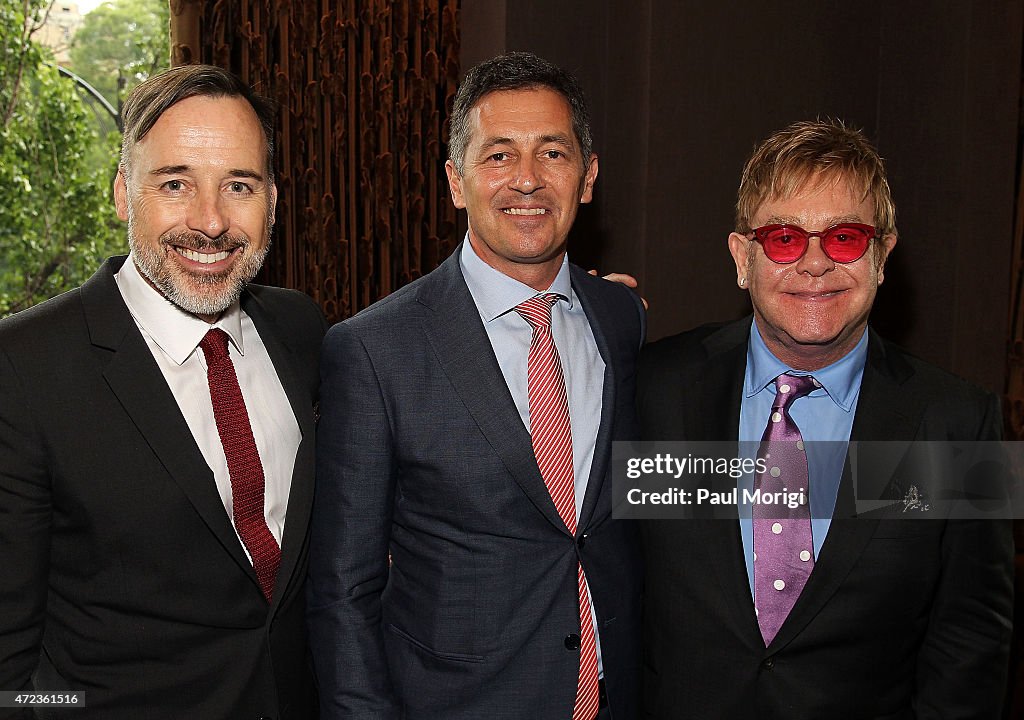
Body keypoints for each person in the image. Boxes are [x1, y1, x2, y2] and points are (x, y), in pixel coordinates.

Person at [308, 51, 645, 719]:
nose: (527, 179)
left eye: (552, 153)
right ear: (456, 181)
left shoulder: (621, 319)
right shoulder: (373, 351)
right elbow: (343, 592)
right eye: (498, 156)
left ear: (588, 178)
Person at [637, 119, 1014, 718]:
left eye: (844, 239)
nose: (814, 264)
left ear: (883, 255)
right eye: (785, 238)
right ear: (742, 257)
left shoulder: (959, 422)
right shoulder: (653, 388)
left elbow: (971, 642)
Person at [0, 64, 324, 719]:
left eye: (239, 185)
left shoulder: (301, 328)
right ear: (124, 193)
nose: (209, 222)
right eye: (175, 183)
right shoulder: (22, 367)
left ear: (274, 201)